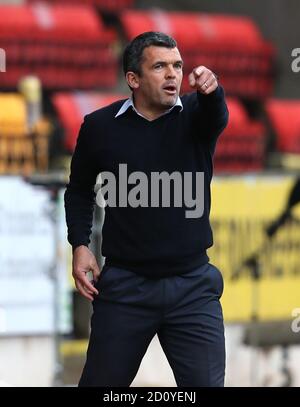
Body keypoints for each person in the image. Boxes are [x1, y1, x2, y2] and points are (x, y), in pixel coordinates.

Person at [64, 31, 229, 387]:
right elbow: (79, 191)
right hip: (126, 287)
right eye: (160, 66)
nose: (173, 74)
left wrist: (213, 90)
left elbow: (217, 115)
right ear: (133, 79)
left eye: (177, 66)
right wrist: (79, 244)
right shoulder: (99, 127)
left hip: (192, 287)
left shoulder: (197, 115)